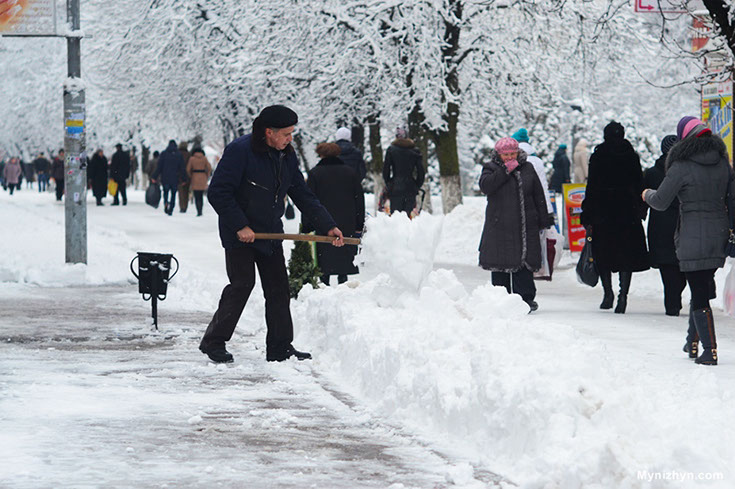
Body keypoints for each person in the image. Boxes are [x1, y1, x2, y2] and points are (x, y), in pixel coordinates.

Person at [199, 105, 345, 364]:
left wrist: (327, 225)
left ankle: (279, 347)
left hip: (270, 233)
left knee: (278, 289)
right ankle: (214, 341)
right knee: (242, 284)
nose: (291, 139)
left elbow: (302, 194)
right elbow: (218, 192)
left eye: (292, 133)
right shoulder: (240, 151)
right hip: (240, 233)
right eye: (287, 134)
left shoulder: (286, 155)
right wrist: (240, 225)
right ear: (269, 132)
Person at [643, 117, 734, 366]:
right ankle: (691, 341)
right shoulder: (723, 164)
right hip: (719, 233)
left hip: (692, 235)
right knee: (701, 286)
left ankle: (709, 350)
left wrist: (646, 193)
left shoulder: (680, 166)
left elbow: (661, 201)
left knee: (699, 291)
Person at [478, 137, 554, 312]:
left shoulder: (528, 167)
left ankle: (525, 299)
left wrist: (544, 218)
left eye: (512, 153)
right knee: (501, 262)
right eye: (506, 154)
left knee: (523, 262)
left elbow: (538, 194)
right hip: (500, 225)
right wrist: (504, 171)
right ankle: (501, 298)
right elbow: (486, 186)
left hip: (526, 223)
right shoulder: (491, 168)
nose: (510, 157)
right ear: (498, 154)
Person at [581, 121, 649, 314]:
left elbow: (592, 186)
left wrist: (588, 212)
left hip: (603, 212)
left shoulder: (598, 156)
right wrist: (640, 207)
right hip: (627, 212)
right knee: (626, 255)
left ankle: (607, 293)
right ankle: (623, 296)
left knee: (603, 253)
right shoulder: (631, 156)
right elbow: (639, 183)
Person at [304, 142, 365, 286]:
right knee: (344, 252)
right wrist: (359, 223)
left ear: (320, 154)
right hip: (347, 219)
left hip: (323, 221)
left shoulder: (315, 174)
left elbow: (308, 200)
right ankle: (342, 281)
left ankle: (324, 282)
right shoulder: (350, 173)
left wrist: (307, 225)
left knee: (324, 255)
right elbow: (359, 200)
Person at [642, 135, 685, 316]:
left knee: (667, 267)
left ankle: (672, 302)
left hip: (659, 225)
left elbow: (643, 199)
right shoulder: (686, 170)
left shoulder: (652, 173)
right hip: (683, 223)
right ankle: (675, 297)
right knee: (682, 264)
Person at [382, 127, 425, 215]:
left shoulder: (391, 150)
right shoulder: (415, 151)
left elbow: (386, 170)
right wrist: (416, 185)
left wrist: (389, 183)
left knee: (396, 216)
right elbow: (421, 172)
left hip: (395, 188)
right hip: (410, 188)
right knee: (409, 217)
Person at [152, 140, 186, 215]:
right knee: (173, 194)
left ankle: (166, 203)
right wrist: (184, 179)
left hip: (165, 178)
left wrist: (154, 176)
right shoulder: (179, 155)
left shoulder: (164, 154)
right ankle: (171, 207)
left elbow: (159, 167)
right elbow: (182, 168)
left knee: (166, 192)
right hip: (175, 178)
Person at [185, 147, 212, 216]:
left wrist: (191, 175)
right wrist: (207, 175)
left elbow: (188, 169)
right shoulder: (204, 158)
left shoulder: (192, 159)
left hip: (195, 176)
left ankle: (198, 210)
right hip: (203, 177)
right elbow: (209, 167)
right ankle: (201, 209)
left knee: (196, 195)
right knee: (201, 195)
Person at [178, 141, 191, 213]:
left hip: (179, 175)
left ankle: (182, 206)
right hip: (187, 175)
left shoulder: (177, 154)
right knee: (186, 192)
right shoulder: (189, 154)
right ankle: (185, 206)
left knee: (181, 192)